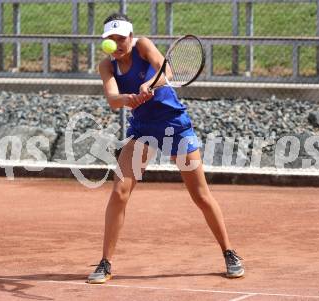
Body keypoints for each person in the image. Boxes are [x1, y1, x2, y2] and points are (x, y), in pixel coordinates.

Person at [87, 12, 244, 284]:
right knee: (119, 192)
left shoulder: (144, 46)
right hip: (143, 130)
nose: (117, 43)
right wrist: (130, 98)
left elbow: (166, 70)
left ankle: (229, 252)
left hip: (174, 125)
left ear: (131, 37)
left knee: (200, 195)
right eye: (111, 39)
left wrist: (149, 84)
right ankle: (105, 263)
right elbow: (113, 99)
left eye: (121, 37)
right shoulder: (106, 66)